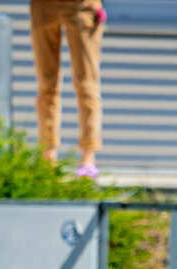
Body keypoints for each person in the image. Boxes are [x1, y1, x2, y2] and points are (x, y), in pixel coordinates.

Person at [29, 0, 106, 179]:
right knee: (46, 84)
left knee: (86, 84)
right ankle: (48, 156)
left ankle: (88, 159)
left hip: (81, 5)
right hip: (43, 5)